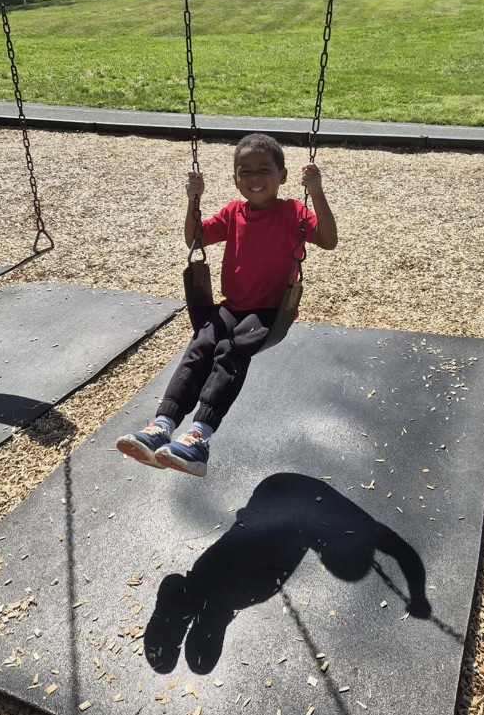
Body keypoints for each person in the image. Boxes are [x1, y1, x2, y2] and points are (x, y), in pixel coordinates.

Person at [115, 133, 338, 478]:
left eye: (264, 170)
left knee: (230, 351)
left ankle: (198, 436)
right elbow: (196, 238)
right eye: (245, 172)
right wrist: (193, 199)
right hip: (232, 306)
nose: (254, 178)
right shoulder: (233, 212)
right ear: (235, 179)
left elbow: (328, 240)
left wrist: (317, 192)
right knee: (200, 346)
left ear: (283, 176)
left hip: (270, 312)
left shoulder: (293, 211)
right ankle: (162, 424)